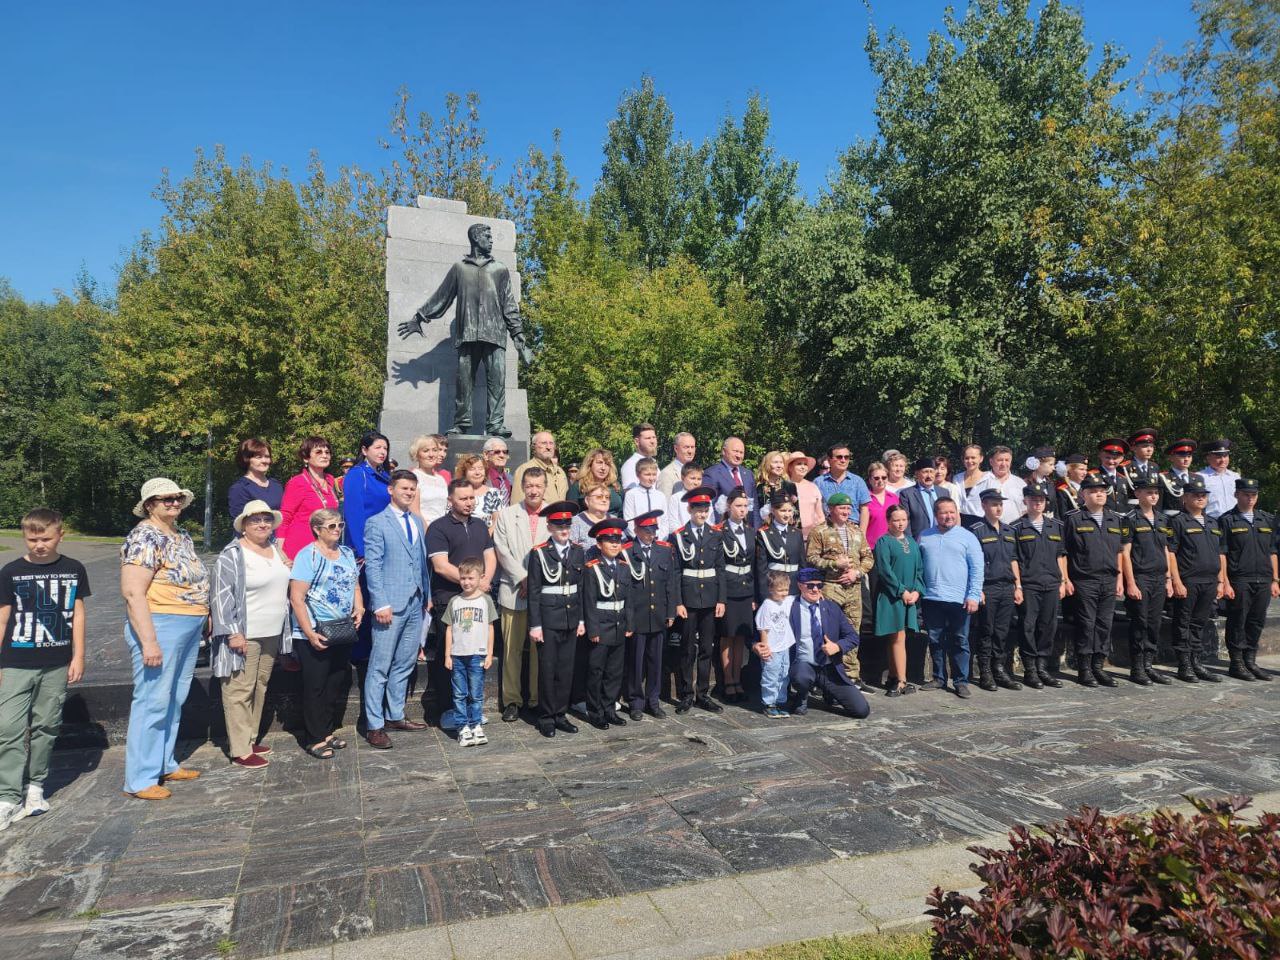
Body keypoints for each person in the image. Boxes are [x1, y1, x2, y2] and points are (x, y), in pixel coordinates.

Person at [120, 478, 210, 800]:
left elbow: (194, 576)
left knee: (174, 698)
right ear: (149, 505)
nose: (173, 503)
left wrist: (206, 612)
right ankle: (140, 779)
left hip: (188, 623)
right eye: (165, 499)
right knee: (153, 701)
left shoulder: (181, 535)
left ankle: (164, 763)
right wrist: (149, 641)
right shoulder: (144, 535)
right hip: (160, 624)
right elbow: (133, 592)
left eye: (177, 499)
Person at [0, 509, 88, 829]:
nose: (39, 544)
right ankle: (8, 796)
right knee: (7, 729)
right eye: (32, 538)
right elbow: (3, 618)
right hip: (15, 662)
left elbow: (77, 615)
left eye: (46, 538)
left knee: (46, 726)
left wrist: (78, 656)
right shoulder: (11, 571)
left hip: (56, 662)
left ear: (60, 535)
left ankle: (35, 787)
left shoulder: (73, 569)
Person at [211, 500, 291, 768]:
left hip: (273, 631)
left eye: (266, 519)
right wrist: (233, 633)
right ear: (243, 526)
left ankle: (250, 738)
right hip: (246, 633)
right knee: (239, 690)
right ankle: (240, 748)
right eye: (255, 520)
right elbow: (221, 597)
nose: (262, 524)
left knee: (260, 686)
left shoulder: (275, 549)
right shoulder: (232, 555)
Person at [362, 470, 432, 749]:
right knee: (380, 666)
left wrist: (425, 594)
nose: (409, 493)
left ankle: (394, 715)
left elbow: (420, 560)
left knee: (405, 663)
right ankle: (374, 724)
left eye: (413, 489)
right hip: (390, 605)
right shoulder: (376, 523)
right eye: (404, 488)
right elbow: (374, 565)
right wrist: (380, 601)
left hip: (415, 602)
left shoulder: (416, 520)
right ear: (391, 490)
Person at [288, 509, 361, 760]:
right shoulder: (307, 556)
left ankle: (327, 729)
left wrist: (359, 606)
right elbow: (296, 597)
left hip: (342, 626)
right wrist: (309, 632)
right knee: (315, 684)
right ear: (317, 529)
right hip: (316, 629)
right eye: (331, 526)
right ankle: (314, 737)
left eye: (340, 524)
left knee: (336, 680)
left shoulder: (347, 553)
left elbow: (355, 583)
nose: (337, 529)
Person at [425, 479, 497, 723]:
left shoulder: (479, 525)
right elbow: (441, 566)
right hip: (450, 600)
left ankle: (472, 709)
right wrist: (473, 582)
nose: (469, 503)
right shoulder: (438, 528)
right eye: (463, 498)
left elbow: (490, 554)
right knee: (452, 657)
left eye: (471, 498)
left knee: (475, 657)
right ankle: (450, 710)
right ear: (450, 500)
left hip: (479, 600)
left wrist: (486, 580)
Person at [491, 467, 548, 721]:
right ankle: (512, 700)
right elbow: (501, 550)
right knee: (512, 649)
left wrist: (535, 582)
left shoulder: (553, 515)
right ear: (522, 487)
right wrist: (523, 577)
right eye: (529, 485)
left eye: (538, 485)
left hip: (544, 593)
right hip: (514, 590)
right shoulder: (506, 515)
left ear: (545, 487)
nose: (534, 490)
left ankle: (536, 698)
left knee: (539, 650)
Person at [805, 492, 875, 695]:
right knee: (827, 633)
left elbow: (868, 558)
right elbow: (811, 558)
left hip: (853, 589)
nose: (846, 512)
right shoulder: (820, 531)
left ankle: (852, 676)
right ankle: (825, 677)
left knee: (853, 632)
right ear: (831, 509)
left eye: (848, 508)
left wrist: (857, 572)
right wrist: (834, 564)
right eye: (841, 508)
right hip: (830, 587)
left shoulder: (855, 531)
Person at [527, 500, 585, 737]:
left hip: (571, 618)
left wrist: (581, 620)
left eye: (567, 525)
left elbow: (581, 589)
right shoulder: (539, 553)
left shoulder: (578, 551)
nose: (564, 530)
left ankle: (560, 714)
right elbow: (533, 591)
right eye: (559, 526)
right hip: (548, 619)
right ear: (549, 527)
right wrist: (536, 624)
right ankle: (547, 716)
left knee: (566, 669)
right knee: (548, 669)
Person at [917, 498, 983, 698]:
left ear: (957, 513)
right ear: (936, 515)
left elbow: (977, 569)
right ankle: (939, 677)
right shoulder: (924, 536)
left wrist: (973, 595)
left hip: (959, 599)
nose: (948, 516)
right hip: (932, 598)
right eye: (944, 513)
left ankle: (961, 681)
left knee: (960, 640)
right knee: (935, 639)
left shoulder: (968, 537)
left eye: (952, 512)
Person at [1063, 475, 1124, 688]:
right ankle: (1084, 668)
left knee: (1104, 624)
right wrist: (1066, 579)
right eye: (1093, 491)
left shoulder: (1115, 519)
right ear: (1083, 495)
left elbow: (1119, 551)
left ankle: (1099, 666)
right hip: (1084, 579)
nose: (1099, 494)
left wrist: (1120, 579)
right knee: (1086, 624)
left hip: (1109, 579)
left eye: (1102, 490)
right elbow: (1065, 552)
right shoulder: (1073, 519)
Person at [785, 569, 871, 719]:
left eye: (819, 585)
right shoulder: (791, 607)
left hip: (829, 668)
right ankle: (802, 695)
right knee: (801, 676)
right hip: (804, 663)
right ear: (800, 585)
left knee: (861, 710)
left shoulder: (831, 608)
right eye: (810, 585)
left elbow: (852, 637)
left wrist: (837, 647)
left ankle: (829, 690)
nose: (816, 589)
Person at [672, 486, 726, 714]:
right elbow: (675, 572)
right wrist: (678, 602)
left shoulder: (715, 534)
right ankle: (686, 694)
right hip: (689, 598)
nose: (702, 514)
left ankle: (703, 694)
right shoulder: (678, 536)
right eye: (698, 510)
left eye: (705, 510)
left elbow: (720, 569)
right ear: (689, 509)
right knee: (687, 649)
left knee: (706, 647)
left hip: (710, 598)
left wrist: (721, 599)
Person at [1167, 476, 1225, 683]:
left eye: (1203, 495)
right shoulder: (1178, 521)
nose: (1200, 498)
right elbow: (1171, 552)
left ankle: (1196, 661)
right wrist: (1176, 581)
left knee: (1199, 623)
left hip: (1209, 581)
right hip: (1188, 579)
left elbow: (1220, 553)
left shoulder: (1213, 522)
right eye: (1195, 495)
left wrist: (1221, 581)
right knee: (1183, 622)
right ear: (1185, 498)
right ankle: (1184, 664)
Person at [1217, 478, 1276, 682]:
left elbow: (1273, 551)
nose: (1250, 498)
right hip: (1240, 578)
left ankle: (1250, 660)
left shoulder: (1267, 519)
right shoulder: (1226, 520)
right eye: (1246, 494)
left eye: (1253, 495)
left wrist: (1275, 579)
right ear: (1237, 495)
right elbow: (1222, 553)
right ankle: (1237, 662)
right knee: (1238, 621)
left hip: (1263, 578)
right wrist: (1224, 581)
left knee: (1257, 621)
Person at [1010, 486, 1068, 689]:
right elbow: (1014, 559)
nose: (1037, 503)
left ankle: (1043, 668)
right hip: (1029, 585)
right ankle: (1030, 670)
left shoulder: (1056, 525)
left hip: (1052, 583)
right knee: (1028, 627)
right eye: (1033, 499)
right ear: (1025, 501)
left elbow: (1061, 555)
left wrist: (1063, 581)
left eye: (1041, 500)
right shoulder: (1016, 527)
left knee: (1048, 626)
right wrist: (1017, 585)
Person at [621, 509, 675, 720]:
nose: (651, 534)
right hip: (637, 616)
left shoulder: (663, 550)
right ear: (636, 530)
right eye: (646, 530)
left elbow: (669, 584)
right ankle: (635, 701)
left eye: (653, 530)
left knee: (656, 661)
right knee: (636, 662)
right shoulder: (627, 551)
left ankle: (653, 700)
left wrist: (670, 611)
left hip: (658, 614)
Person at [1120, 477, 1174, 686]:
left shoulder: (1163, 520)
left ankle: (1148, 665)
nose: (1153, 496)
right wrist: (1130, 583)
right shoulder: (1130, 519)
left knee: (1154, 623)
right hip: (1141, 577)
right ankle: (1137, 667)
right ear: (1138, 494)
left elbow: (1166, 550)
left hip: (1159, 577)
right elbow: (1125, 553)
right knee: (1140, 623)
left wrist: (1169, 579)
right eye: (1149, 492)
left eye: (1156, 492)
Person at [967, 490, 1023, 692]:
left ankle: (999, 669)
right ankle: (985, 672)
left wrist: (1018, 586)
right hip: (987, 587)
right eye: (993, 504)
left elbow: (1014, 559)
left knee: (1002, 631)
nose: (998, 508)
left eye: (1000, 504)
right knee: (986, 631)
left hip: (1007, 586)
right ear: (983, 506)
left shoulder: (1009, 530)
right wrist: (977, 589)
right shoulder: (976, 530)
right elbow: (973, 563)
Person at [581, 518, 633, 729]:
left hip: (619, 624)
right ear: (599, 544)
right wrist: (593, 628)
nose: (614, 545)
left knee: (614, 671)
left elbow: (628, 600)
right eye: (609, 541)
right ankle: (595, 712)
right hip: (600, 626)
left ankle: (610, 708)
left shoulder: (623, 567)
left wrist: (629, 624)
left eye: (617, 540)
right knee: (596, 671)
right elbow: (589, 601)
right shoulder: (592, 568)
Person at [443, 557, 497, 746]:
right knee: (459, 693)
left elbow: (490, 628)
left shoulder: (486, 601)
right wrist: (447, 655)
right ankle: (462, 726)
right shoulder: (455, 601)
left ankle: (476, 725)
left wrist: (489, 653)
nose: (466, 582)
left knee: (476, 693)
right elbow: (449, 628)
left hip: (477, 654)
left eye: (471, 578)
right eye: (463, 578)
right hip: (457, 655)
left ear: (480, 578)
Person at [872, 504, 923, 696]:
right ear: (888, 521)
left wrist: (917, 591)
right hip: (891, 597)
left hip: (909, 597)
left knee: (899, 637)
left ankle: (894, 676)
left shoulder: (912, 542)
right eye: (896, 520)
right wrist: (901, 591)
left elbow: (920, 570)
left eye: (903, 519)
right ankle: (902, 680)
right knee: (897, 637)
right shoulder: (883, 542)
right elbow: (885, 571)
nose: (900, 523)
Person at [717, 489, 757, 704]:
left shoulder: (751, 532)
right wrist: (721, 598)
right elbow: (720, 567)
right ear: (728, 507)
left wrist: (752, 595)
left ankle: (738, 679)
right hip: (729, 589)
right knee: (727, 636)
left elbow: (752, 564)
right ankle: (728, 679)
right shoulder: (720, 531)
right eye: (738, 506)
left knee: (741, 636)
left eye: (745, 506)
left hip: (745, 589)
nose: (742, 510)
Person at [279, 436, 340, 560]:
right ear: (306, 458)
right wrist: (281, 553)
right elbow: (285, 517)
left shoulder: (330, 481)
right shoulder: (298, 482)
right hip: (300, 547)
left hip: (325, 546)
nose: (325, 455)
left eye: (327, 452)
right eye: (318, 452)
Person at [753, 571, 796, 717]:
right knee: (771, 675)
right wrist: (765, 648)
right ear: (771, 589)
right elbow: (763, 628)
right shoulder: (767, 605)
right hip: (772, 648)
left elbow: (800, 597)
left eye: (786, 589)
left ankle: (780, 701)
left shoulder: (787, 600)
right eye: (780, 590)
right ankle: (769, 703)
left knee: (784, 674)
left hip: (784, 647)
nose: (784, 593)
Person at [756, 495, 805, 597]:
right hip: (775, 587)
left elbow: (802, 564)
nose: (787, 515)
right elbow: (761, 568)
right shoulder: (764, 534)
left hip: (794, 587)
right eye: (783, 511)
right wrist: (764, 594)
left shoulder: (797, 533)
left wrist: (804, 588)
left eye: (789, 511)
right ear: (773, 511)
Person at [814, 443, 872, 528]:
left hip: (852, 529)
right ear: (829, 460)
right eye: (839, 457)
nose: (843, 460)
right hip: (827, 529)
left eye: (846, 457)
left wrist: (862, 534)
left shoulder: (858, 481)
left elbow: (864, 510)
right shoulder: (818, 483)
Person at [702, 437, 758, 523]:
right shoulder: (711, 474)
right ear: (724, 451)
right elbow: (708, 507)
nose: (738, 455)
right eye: (735, 451)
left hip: (748, 531)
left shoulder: (748, 474)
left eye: (741, 452)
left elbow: (755, 507)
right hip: (724, 530)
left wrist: (756, 531)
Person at [228, 438, 284, 521]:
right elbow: (239, 523)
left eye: (267, 457)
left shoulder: (276, 485)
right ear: (247, 459)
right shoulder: (240, 488)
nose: (264, 461)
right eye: (259, 457)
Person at [513, 431, 568, 503]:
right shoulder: (524, 470)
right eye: (544, 443)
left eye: (551, 443)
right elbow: (517, 505)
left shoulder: (560, 472)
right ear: (533, 447)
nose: (548, 447)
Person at [623, 458, 671, 539]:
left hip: (657, 539)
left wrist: (660, 539)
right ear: (638, 475)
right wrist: (639, 539)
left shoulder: (660, 495)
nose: (651, 478)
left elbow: (664, 520)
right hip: (638, 539)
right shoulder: (631, 494)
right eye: (647, 474)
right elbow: (629, 520)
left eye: (654, 474)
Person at [972, 446, 1025, 520]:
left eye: (1007, 460)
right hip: (988, 529)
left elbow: (1025, 510)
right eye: (1000, 460)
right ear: (991, 462)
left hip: (1015, 529)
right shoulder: (981, 480)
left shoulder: (1020, 483)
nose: (1003, 464)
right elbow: (975, 508)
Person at [567, 447, 624, 514]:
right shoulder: (579, 486)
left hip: (614, 523)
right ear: (590, 464)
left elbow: (622, 512)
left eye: (607, 464)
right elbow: (571, 515)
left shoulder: (616, 486)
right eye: (599, 463)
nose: (603, 468)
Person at [409, 434, 450, 527]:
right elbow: (414, 511)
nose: (431, 455)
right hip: (423, 530)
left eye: (435, 450)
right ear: (417, 454)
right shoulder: (414, 477)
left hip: (442, 530)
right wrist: (429, 532)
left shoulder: (441, 479)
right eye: (426, 451)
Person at [899, 456, 943, 540]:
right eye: (925, 472)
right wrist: (911, 543)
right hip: (919, 540)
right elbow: (905, 521)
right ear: (917, 474)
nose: (929, 475)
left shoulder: (944, 492)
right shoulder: (907, 494)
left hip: (942, 539)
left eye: (931, 472)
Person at [455, 454, 502, 524]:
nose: (477, 473)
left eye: (480, 468)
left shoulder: (494, 493)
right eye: (472, 469)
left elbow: (497, 522)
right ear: (464, 472)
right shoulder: (456, 492)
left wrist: (485, 535)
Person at [1199, 439, 1239, 520]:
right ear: (1208, 457)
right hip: (1213, 522)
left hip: (1235, 521)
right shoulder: (1200, 477)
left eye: (1225, 456)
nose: (1223, 460)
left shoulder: (1235, 477)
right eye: (1218, 457)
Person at [786, 452, 824, 539]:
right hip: (790, 537)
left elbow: (820, 515)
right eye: (799, 464)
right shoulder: (784, 486)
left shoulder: (813, 487)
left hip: (812, 537)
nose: (803, 467)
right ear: (790, 467)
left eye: (805, 464)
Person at [1093, 438, 1135, 513]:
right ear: (1100, 456)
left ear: (1122, 458)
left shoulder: (1123, 479)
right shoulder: (1093, 477)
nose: (1111, 461)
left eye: (1115, 458)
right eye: (1107, 457)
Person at [864, 462, 900, 549]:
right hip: (872, 547)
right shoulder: (865, 499)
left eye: (884, 477)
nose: (881, 481)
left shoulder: (894, 498)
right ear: (870, 480)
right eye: (876, 478)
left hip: (893, 545)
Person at [1161, 438, 1197, 516]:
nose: (1186, 459)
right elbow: (1157, 506)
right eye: (1182, 456)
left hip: (1194, 522)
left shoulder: (1198, 478)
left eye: (1189, 456)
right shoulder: (1163, 478)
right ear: (1171, 458)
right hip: (1171, 521)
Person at [668, 462, 709, 530]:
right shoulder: (676, 498)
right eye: (692, 478)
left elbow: (710, 521)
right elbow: (673, 523)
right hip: (683, 536)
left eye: (699, 479)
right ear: (683, 478)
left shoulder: (706, 498)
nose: (696, 483)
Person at [754, 451, 793, 521]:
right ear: (767, 464)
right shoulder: (759, 487)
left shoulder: (789, 486)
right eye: (775, 462)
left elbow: (796, 512)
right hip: (764, 529)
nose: (779, 466)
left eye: (781, 462)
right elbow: (755, 512)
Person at [620, 423, 659, 490]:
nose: (652, 441)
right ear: (637, 441)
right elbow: (632, 497)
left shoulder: (653, 462)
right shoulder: (631, 465)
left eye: (654, 437)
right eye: (648, 438)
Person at [658, 433, 698, 497]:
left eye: (692, 447)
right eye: (686, 447)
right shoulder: (667, 474)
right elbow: (664, 504)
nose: (690, 451)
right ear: (676, 449)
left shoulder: (697, 472)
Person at [957, 444, 987, 523]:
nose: (970, 461)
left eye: (973, 458)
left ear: (981, 459)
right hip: (960, 522)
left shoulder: (989, 478)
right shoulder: (957, 478)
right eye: (967, 458)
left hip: (981, 523)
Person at [482, 436, 514, 508]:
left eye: (505, 452)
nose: (502, 455)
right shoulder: (480, 479)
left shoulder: (512, 479)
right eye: (497, 452)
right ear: (486, 455)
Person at [1056, 454, 1089, 519]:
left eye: (1086, 470)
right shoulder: (1063, 490)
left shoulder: (1086, 488)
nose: (1085, 473)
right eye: (1081, 469)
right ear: (1070, 470)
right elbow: (1063, 516)